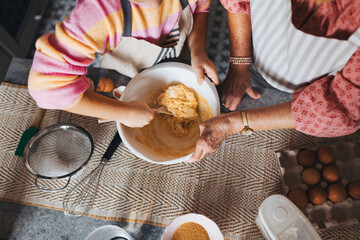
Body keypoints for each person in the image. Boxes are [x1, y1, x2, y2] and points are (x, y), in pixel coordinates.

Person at [189, 0, 360, 162]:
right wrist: (240, 64)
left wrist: (232, 124)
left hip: (311, 88)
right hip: (256, 54)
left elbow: (341, 104)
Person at [28, 0, 219, 128]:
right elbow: (46, 88)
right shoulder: (98, 12)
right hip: (121, 73)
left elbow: (200, 8)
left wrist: (197, 49)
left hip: (181, 55)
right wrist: (124, 112)